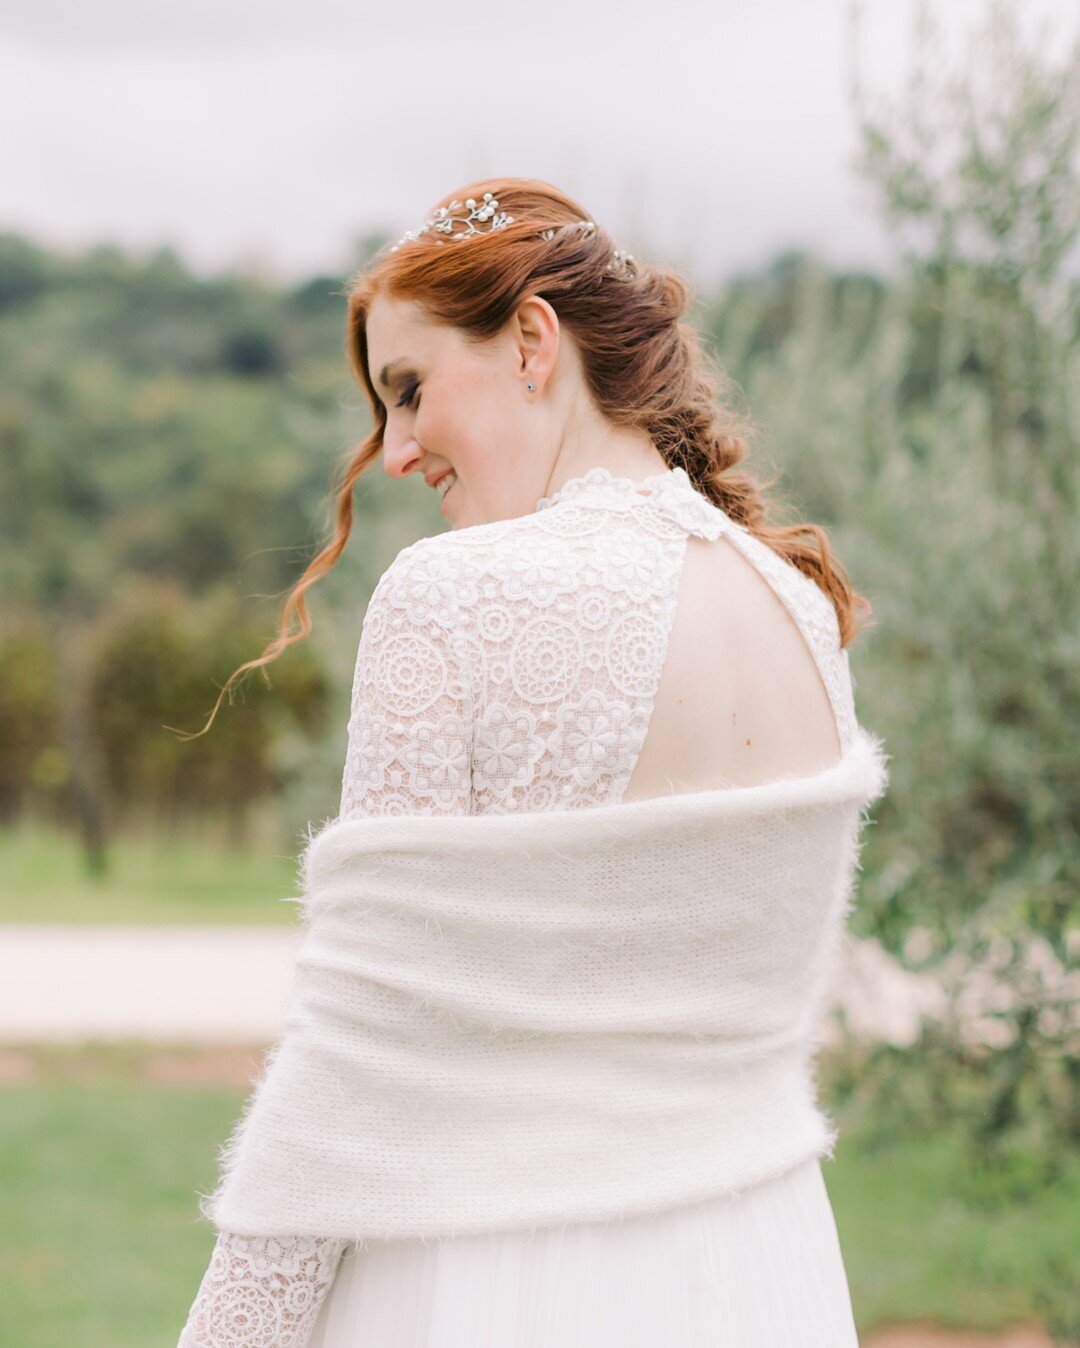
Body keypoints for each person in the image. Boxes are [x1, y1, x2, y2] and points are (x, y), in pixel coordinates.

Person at [177, 178, 883, 1347]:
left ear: (532, 343)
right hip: (764, 1272)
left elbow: (360, 1047)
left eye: (409, 391)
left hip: (495, 1278)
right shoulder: (798, 611)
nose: (396, 452)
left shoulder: (449, 599)